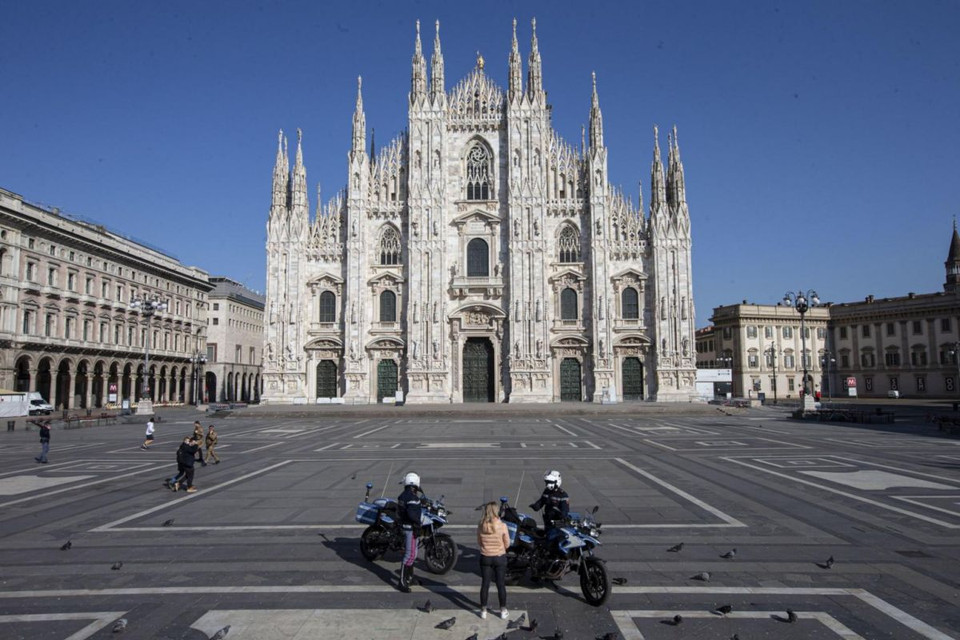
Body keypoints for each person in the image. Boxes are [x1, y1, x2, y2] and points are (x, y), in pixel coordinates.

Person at [476, 501, 510, 620]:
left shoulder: (481, 525)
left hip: (485, 557)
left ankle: (483, 610)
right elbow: (507, 543)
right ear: (496, 511)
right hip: (499, 557)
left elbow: (479, 542)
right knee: (500, 584)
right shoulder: (502, 525)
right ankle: (503, 610)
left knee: (485, 584)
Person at [397, 471, 423, 592]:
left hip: (404, 526)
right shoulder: (413, 498)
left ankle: (410, 577)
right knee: (410, 555)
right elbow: (412, 514)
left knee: (412, 554)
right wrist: (418, 523)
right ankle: (402, 581)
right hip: (411, 528)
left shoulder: (403, 495)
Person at [529, 469, 569, 533]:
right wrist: (536, 506)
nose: (547, 484)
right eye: (547, 482)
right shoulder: (547, 491)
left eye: (550, 482)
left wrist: (561, 517)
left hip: (556, 523)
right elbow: (542, 501)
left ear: (557, 482)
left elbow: (565, 510)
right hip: (547, 519)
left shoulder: (563, 495)